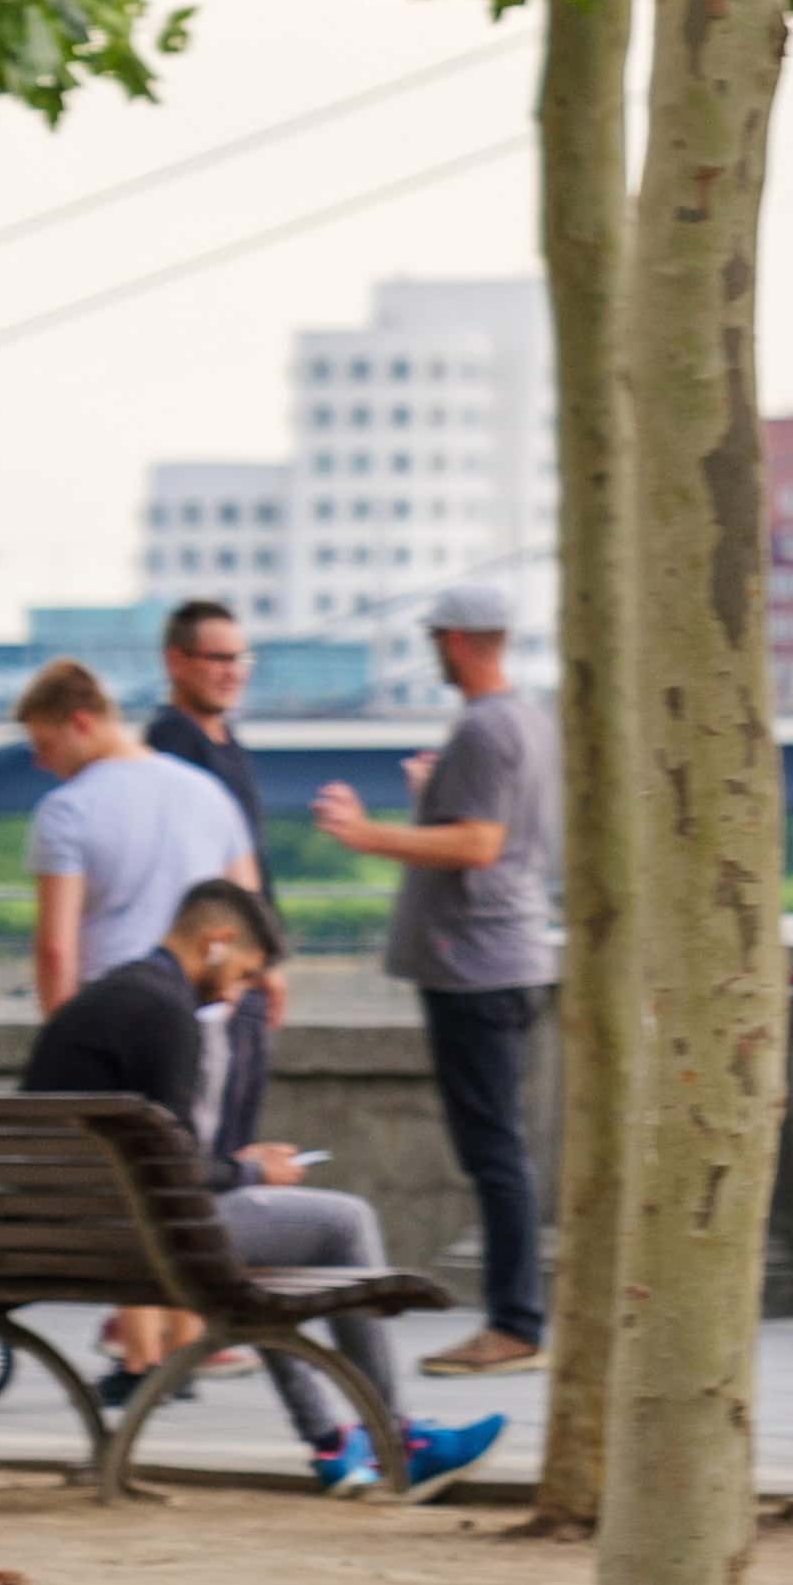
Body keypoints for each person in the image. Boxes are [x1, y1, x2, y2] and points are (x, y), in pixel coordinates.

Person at [21, 880, 500, 1495]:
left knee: (265, 1229)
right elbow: (172, 1170)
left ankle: (331, 1443)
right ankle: (395, 1437)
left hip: (64, 1228)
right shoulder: (166, 1013)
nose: (242, 990)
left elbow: (162, 1157)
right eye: (246, 973)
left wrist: (235, 1167)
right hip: (127, 1237)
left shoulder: (110, 996)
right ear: (215, 943)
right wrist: (253, 1171)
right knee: (341, 1221)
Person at [309, 582, 558, 1378]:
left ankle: (516, 1323)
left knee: (495, 1155)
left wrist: (362, 834)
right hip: (498, 959)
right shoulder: (526, 721)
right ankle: (516, 1318)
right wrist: (430, 800)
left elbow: (480, 845)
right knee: (498, 1150)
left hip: (474, 967)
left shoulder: (486, 727)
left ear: (453, 640)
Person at [19, 657, 259, 1388]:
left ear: (81, 722)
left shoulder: (69, 811)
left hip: (112, 1009)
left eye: (43, 744)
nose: (40, 763)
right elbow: (245, 907)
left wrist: (66, 1032)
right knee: (176, 1175)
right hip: (200, 1010)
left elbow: (58, 945)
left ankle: (147, 1351)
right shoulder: (207, 792)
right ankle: (184, 1343)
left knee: (128, 1183)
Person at [143, 600, 284, 1181]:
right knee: (216, 1147)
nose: (233, 671)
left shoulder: (225, 740)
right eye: (217, 658)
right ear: (176, 661)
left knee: (237, 1134)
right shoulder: (174, 743)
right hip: (216, 972)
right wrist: (243, 967)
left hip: (240, 967)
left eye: (241, 658)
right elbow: (198, 876)